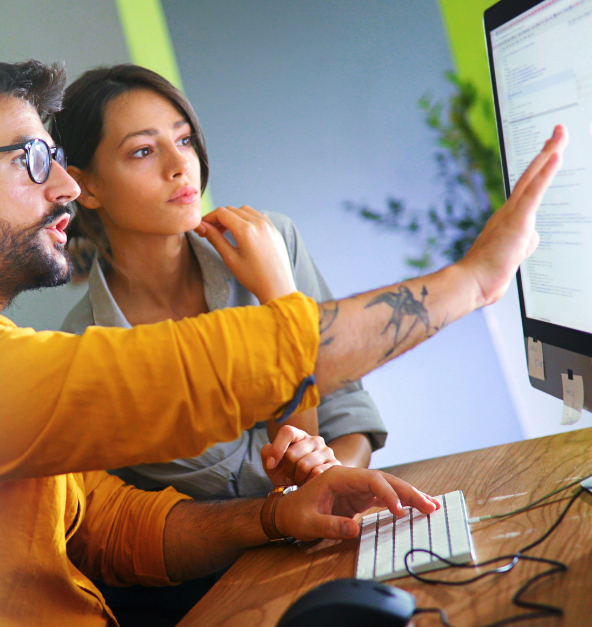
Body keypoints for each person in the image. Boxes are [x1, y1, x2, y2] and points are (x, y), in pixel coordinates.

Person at [0, 55, 567, 627]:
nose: (62, 187)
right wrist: (472, 280)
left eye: (55, 160)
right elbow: (180, 377)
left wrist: (277, 518)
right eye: (30, 160)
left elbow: (113, 524)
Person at [55, 64, 381, 503]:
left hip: (336, 524)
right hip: (237, 567)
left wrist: (331, 480)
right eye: (143, 151)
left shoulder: (273, 241)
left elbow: (348, 415)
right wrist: (280, 301)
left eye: (184, 139)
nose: (179, 165)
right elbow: (269, 480)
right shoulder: (90, 354)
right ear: (84, 186)